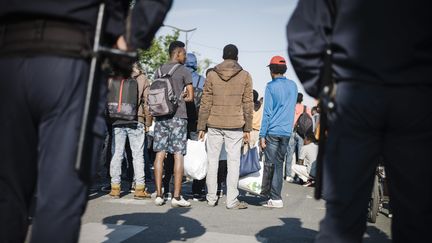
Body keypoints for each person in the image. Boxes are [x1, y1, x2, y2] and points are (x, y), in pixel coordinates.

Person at [0, 1, 172, 242]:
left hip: (8, 50)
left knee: (6, 193)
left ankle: (114, 185)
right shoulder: (142, 77)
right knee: (60, 197)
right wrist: (131, 38)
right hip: (76, 53)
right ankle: (137, 186)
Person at [287, 0, 432, 242]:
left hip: (355, 96)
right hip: (416, 97)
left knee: (342, 215)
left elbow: (302, 37)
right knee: (419, 214)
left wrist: (327, 90)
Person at [198, 44, 253, 209]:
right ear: (237, 57)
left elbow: (205, 102)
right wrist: (248, 128)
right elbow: (248, 103)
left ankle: (211, 198)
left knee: (212, 161)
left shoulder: (212, 75)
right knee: (233, 162)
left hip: (214, 124)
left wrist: (201, 126)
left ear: (223, 56)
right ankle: (231, 201)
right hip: (235, 125)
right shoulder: (245, 76)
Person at [152, 41, 194, 208]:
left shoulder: (159, 70)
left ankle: (159, 195)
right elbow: (190, 97)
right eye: (184, 53)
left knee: (159, 154)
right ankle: (176, 197)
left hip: (160, 116)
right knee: (178, 154)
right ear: (177, 53)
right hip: (178, 117)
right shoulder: (184, 71)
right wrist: (181, 96)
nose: (185, 56)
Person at [108, 63, 152, 199]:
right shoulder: (142, 78)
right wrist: (148, 122)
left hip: (117, 119)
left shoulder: (114, 76)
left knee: (117, 154)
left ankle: (115, 188)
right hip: (136, 119)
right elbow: (147, 102)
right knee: (138, 155)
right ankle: (139, 189)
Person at [259, 56, 297, 208]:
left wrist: (262, 135)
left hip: (273, 131)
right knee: (279, 164)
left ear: (272, 70)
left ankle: (271, 197)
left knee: (269, 164)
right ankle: (276, 198)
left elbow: (267, 112)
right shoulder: (293, 86)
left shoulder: (270, 86)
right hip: (286, 132)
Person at [185, 53, 208, 201]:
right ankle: (197, 190)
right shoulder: (203, 80)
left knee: (178, 154)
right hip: (197, 123)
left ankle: (174, 189)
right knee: (199, 154)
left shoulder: (180, 77)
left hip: (180, 121)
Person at [284, 93, 311, 182]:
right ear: (302, 99)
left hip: (291, 131)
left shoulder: (291, 107)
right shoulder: (306, 108)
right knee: (300, 156)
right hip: (301, 134)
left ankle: (288, 175)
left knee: (289, 154)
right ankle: (299, 177)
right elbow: (310, 122)